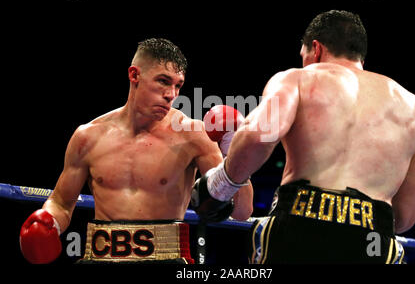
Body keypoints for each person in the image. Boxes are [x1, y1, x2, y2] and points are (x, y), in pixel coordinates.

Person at [191, 10, 415, 263]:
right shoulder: (412, 105)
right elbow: (405, 217)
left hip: (301, 222)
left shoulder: (298, 79)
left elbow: (258, 136)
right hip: (373, 236)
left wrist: (220, 185)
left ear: (316, 49)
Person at [19, 38, 253, 264]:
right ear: (134, 75)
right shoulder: (87, 137)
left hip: (167, 259)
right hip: (100, 258)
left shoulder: (193, 135)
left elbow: (242, 211)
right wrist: (49, 221)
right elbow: (61, 202)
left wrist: (234, 153)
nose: (171, 94)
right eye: (163, 81)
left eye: (178, 85)